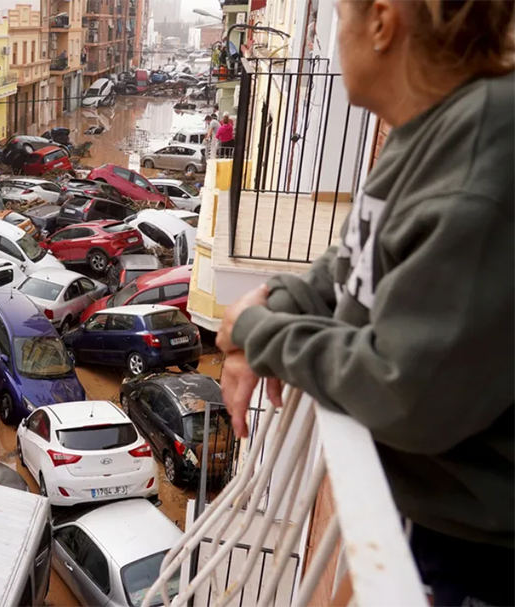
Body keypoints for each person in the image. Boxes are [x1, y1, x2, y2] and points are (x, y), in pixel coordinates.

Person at [215, 1, 514, 605]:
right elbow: (350, 264)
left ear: (382, 21)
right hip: (435, 523)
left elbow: (404, 390)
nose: (335, 36)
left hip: (480, 561)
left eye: (341, 15)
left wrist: (259, 331)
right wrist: (275, 304)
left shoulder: (481, 159)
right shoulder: (426, 130)